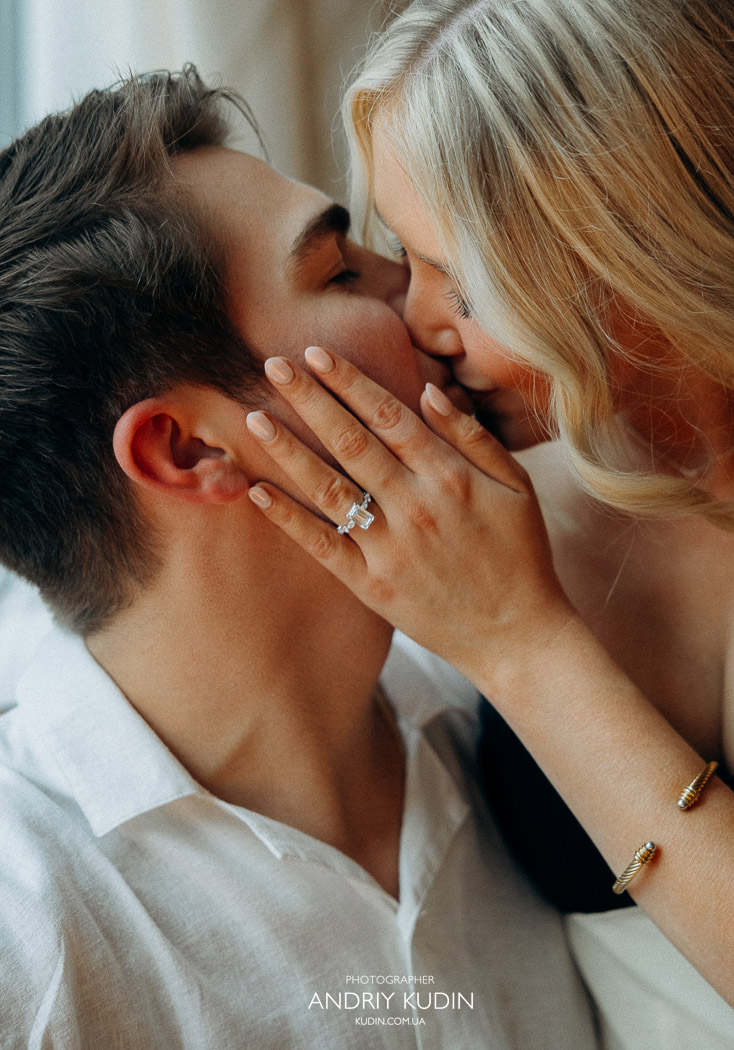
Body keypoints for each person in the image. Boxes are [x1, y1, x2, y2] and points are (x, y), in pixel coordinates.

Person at [242, 0, 734, 1050]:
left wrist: (523, 645)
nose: (413, 316)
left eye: (463, 283)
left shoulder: (497, 582)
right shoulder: (488, 494)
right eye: (400, 254)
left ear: (646, 261)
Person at [0, 68, 598, 1048]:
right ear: (188, 449)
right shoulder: (26, 935)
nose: (417, 288)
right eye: (341, 273)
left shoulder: (516, 727)